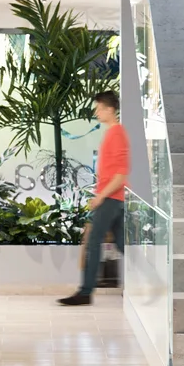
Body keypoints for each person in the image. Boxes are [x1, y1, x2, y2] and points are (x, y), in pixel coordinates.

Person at [59, 90, 127, 306]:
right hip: (113, 198)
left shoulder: (117, 134)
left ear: (110, 109)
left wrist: (101, 197)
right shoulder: (112, 133)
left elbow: (120, 174)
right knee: (124, 245)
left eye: (99, 108)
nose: (96, 111)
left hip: (111, 199)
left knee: (94, 241)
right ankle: (151, 282)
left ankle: (85, 292)